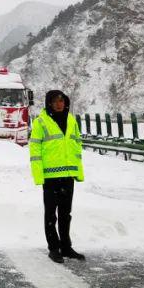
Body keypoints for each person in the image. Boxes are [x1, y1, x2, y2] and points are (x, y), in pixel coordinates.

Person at [30, 90, 85, 262]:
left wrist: (78, 172)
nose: (59, 104)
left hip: (68, 176)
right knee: (50, 215)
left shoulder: (71, 120)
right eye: (55, 101)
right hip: (50, 177)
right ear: (49, 104)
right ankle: (54, 248)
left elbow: (77, 146)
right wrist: (39, 176)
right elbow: (35, 150)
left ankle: (66, 247)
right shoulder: (41, 122)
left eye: (62, 101)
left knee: (65, 214)